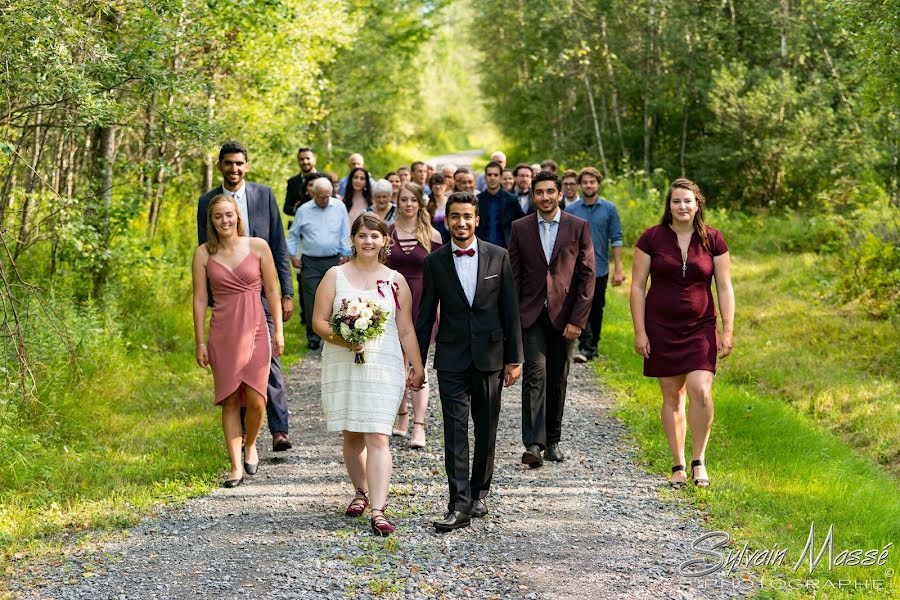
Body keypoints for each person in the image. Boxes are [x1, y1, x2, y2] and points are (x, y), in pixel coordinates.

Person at [312, 214, 426, 536]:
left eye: (375, 236)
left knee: (378, 435)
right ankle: (360, 491)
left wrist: (416, 367)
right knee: (352, 435)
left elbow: (405, 330)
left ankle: (378, 510)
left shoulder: (395, 280)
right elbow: (319, 321)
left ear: (384, 241)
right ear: (353, 239)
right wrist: (344, 337)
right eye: (362, 236)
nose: (368, 242)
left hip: (383, 363)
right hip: (342, 361)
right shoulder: (335, 276)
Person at [416, 192, 524, 531]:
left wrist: (514, 358)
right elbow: (424, 317)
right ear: (446, 221)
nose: (461, 222)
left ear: (476, 219)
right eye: (455, 217)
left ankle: (480, 491)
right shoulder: (434, 262)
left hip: (491, 357)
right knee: (454, 430)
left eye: (467, 216)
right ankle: (458, 502)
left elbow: (510, 311)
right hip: (451, 358)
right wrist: (417, 363)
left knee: (487, 428)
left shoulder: (498, 256)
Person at [629, 178, 734, 489]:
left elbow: (724, 286)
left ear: (697, 203)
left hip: (701, 325)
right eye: (676, 201)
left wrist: (727, 328)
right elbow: (637, 286)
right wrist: (640, 331)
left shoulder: (713, 239)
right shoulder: (651, 239)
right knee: (672, 395)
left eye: (688, 201)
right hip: (660, 326)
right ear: (669, 205)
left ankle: (699, 461)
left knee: (701, 390)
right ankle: (677, 464)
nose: (682, 206)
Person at [197, 141, 294, 453]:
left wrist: (286, 293)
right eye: (228, 163)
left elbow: (278, 245)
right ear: (221, 166)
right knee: (235, 366)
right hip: (228, 299)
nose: (234, 168)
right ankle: (239, 435)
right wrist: (216, 300)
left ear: (246, 165)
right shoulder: (207, 201)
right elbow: (206, 250)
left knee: (270, 361)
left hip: (262, 292)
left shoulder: (263, 195)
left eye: (239, 163)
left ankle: (279, 429)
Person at [193, 196, 285, 488]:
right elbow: (199, 299)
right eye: (218, 216)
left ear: (238, 216)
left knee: (257, 398)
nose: (224, 221)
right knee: (230, 398)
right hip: (222, 331)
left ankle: (251, 443)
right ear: (212, 221)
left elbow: (272, 289)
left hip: (257, 326)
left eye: (229, 215)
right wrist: (200, 342)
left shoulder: (258, 246)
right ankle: (235, 466)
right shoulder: (203, 254)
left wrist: (278, 331)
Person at [508, 171, 595, 468]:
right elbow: (514, 276)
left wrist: (578, 320)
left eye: (550, 192)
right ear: (533, 196)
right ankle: (533, 443)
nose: (545, 197)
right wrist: (515, 315)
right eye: (539, 192)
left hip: (565, 317)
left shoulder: (578, 227)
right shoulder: (520, 228)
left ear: (560, 194)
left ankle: (553, 442)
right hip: (531, 315)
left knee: (558, 376)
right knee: (535, 374)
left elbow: (587, 276)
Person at [388, 182, 443, 448]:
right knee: (396, 364)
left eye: (413, 200)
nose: (408, 204)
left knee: (418, 365)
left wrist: (441, 313)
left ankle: (419, 426)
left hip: (424, 304)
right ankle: (402, 416)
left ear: (420, 204)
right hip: (393, 303)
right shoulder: (387, 234)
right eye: (404, 199)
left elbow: (442, 278)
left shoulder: (432, 235)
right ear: (397, 202)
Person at [565, 167, 625, 363]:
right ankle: (586, 346)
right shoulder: (572, 210)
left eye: (592, 182)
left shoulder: (610, 209)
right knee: (581, 305)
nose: (589, 185)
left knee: (597, 307)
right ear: (580, 185)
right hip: (576, 268)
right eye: (585, 182)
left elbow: (616, 239)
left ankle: (593, 344)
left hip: (600, 268)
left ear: (598, 184)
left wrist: (618, 268)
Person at [288, 178, 352, 350]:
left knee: (337, 298)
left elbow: (345, 231)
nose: (324, 200)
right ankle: (313, 336)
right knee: (311, 299)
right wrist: (293, 255)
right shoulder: (303, 210)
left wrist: (346, 254)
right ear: (313, 194)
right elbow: (293, 234)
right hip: (311, 261)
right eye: (321, 197)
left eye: (327, 196)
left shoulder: (339, 206)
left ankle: (335, 333)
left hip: (334, 259)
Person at [475, 160, 518, 248]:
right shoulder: (477, 200)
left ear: (501, 177)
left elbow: (519, 224)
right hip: (481, 248)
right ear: (485, 177)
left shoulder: (511, 199)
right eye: (489, 175)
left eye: (496, 175)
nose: (492, 178)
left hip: (505, 248)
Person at [283, 147, 318, 216]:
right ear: (298, 161)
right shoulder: (292, 182)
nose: (305, 162)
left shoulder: (325, 179)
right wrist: (298, 209)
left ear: (314, 159)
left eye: (308, 158)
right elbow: (287, 208)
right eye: (301, 159)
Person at [427, 173, 450, 243]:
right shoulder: (426, 203)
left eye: (441, 184)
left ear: (446, 186)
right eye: (435, 184)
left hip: (449, 239)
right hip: (432, 240)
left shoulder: (451, 201)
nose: (438, 186)